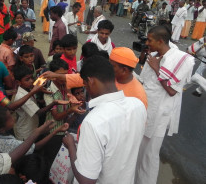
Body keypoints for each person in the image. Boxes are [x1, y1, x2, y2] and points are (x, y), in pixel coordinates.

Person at [62, 55, 147, 184]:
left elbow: (86, 180)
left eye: (85, 85)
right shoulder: (138, 105)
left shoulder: (94, 121)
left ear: (90, 81)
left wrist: (71, 146)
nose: (86, 91)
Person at [135, 26, 195, 184]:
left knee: (149, 156)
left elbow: (171, 91)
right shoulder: (153, 55)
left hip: (159, 116)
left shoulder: (182, 60)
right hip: (144, 109)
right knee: (138, 152)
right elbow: (144, 81)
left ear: (160, 41)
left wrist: (157, 69)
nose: (147, 43)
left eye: (150, 40)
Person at [43, 58, 85, 168]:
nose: (63, 78)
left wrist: (75, 111)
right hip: (53, 132)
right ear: (52, 75)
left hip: (64, 129)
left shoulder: (65, 86)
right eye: (60, 75)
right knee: (51, 161)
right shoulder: (49, 91)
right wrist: (71, 109)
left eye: (65, 74)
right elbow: (56, 116)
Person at [0, 106, 69, 154]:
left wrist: (43, 131)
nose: (13, 118)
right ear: (1, 129)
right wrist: (55, 132)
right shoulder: (9, 144)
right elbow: (35, 147)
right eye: (9, 118)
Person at [12, 65, 68, 141]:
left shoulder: (28, 89)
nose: (31, 81)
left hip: (32, 127)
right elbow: (38, 112)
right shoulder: (21, 96)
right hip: (26, 132)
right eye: (27, 79)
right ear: (18, 82)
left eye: (32, 78)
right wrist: (53, 103)